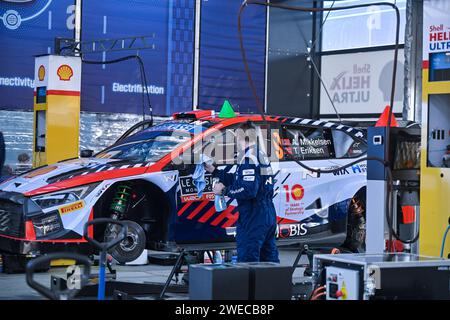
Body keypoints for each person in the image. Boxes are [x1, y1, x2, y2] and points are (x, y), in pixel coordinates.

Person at [205, 122, 280, 263]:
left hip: (253, 216)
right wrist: (215, 172)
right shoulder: (259, 154)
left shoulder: (248, 158)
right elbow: (242, 180)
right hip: (267, 213)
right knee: (269, 261)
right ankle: (274, 285)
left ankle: (251, 286)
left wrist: (224, 190)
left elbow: (248, 189)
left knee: (248, 261)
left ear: (240, 136)